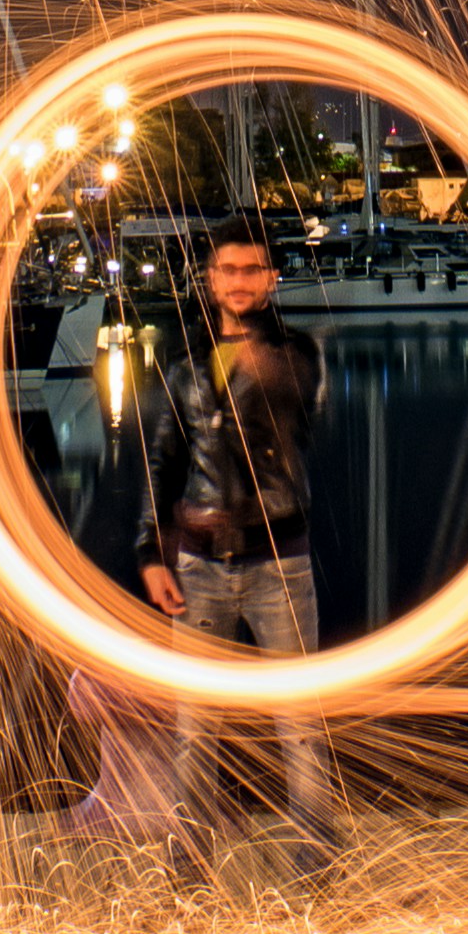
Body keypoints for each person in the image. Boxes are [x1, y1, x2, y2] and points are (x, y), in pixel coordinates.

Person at [126, 227, 341, 866]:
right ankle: (189, 869)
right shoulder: (186, 361)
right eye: (229, 271)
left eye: (254, 270)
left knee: (299, 726)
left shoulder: (295, 352)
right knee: (196, 730)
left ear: (272, 279)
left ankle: (317, 867)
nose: (241, 281)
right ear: (211, 281)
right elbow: (162, 462)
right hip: (198, 567)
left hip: (278, 561)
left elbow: (299, 405)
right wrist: (148, 553)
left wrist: (257, 362)